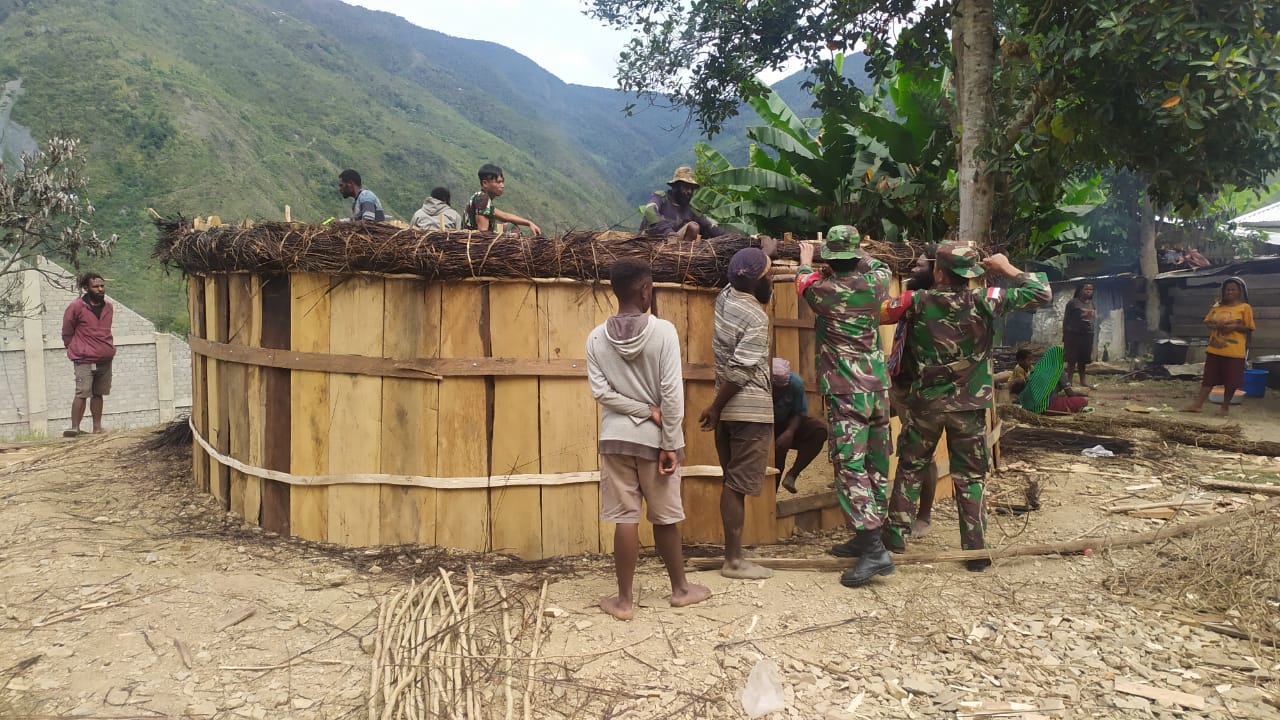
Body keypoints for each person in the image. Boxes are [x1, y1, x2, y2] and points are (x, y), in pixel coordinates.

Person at [880, 245, 1051, 571]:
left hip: (926, 404)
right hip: (969, 407)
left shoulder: (915, 302)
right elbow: (1041, 293)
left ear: (939, 272)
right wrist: (1008, 267)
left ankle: (892, 543)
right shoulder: (987, 300)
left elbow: (875, 311)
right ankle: (974, 553)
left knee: (910, 469)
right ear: (971, 274)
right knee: (971, 476)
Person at [586, 258, 711, 620]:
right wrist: (669, 440)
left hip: (614, 440)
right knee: (665, 517)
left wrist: (639, 409)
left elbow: (601, 392)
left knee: (625, 517)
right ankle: (681, 590)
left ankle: (623, 602)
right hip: (656, 443)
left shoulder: (595, 338)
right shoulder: (663, 332)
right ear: (645, 290)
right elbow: (671, 393)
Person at [796, 227, 896, 587]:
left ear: (830, 260)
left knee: (850, 466)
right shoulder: (878, 283)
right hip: (877, 388)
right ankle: (870, 535)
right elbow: (880, 264)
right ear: (856, 256)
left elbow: (803, 280)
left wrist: (806, 259)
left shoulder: (822, 291)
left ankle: (873, 550)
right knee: (876, 462)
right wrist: (862, 252)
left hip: (846, 389)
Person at [699, 246, 774, 580]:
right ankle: (733, 561)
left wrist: (763, 252)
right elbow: (741, 370)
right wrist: (714, 407)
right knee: (737, 485)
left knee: (731, 482)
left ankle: (733, 556)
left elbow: (748, 278)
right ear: (757, 281)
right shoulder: (757, 318)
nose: (771, 277)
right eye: (768, 273)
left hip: (727, 411)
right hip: (749, 411)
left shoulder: (725, 299)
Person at [885, 246, 939, 540]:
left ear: (936, 271)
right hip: (899, 382)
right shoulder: (915, 301)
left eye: (919, 267)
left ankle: (924, 516)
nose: (912, 270)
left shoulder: (927, 303)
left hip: (919, 391)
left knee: (921, 454)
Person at [1183, 277, 1254, 417]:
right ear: (1223, 291)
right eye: (1227, 289)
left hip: (1234, 352)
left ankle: (1225, 408)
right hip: (1215, 349)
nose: (1230, 292)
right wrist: (1216, 326)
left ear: (1239, 291)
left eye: (1233, 289)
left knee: (1231, 381)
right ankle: (1197, 405)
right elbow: (1208, 322)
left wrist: (1234, 326)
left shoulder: (1245, 308)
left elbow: (1249, 328)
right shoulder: (1218, 306)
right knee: (1208, 378)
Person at [61, 272, 116, 437]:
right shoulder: (76, 307)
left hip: (104, 357)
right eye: (96, 286)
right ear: (86, 288)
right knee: (82, 392)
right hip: (83, 358)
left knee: (98, 393)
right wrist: (74, 348)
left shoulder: (108, 307)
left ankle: (97, 428)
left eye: (102, 286)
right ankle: (75, 428)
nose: (100, 289)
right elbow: (67, 331)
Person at [770, 358, 828, 494]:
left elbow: (800, 412)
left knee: (819, 431)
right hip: (763, 427)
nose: (778, 393)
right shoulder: (759, 382)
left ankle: (792, 475)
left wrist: (790, 432)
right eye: (775, 389)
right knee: (776, 461)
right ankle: (770, 500)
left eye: (782, 389)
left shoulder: (795, 383)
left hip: (787, 423)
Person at [639, 166, 727, 241]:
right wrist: (667, 231)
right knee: (693, 227)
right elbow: (650, 210)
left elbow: (709, 226)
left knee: (695, 227)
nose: (689, 191)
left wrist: (727, 238)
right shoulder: (661, 198)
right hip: (652, 241)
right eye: (685, 187)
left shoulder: (690, 210)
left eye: (691, 188)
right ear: (676, 186)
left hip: (675, 248)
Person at [462, 163, 542, 236]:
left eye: (502, 182)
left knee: (509, 226)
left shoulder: (482, 200)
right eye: (498, 182)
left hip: (475, 243)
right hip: (475, 246)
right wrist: (506, 237)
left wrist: (529, 223)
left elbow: (505, 216)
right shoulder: (482, 198)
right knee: (511, 228)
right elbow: (483, 233)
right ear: (485, 183)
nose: (502, 185)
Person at [1013, 346, 1090, 415]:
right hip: (1046, 406)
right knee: (1082, 401)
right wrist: (1074, 397)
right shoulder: (1058, 370)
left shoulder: (1037, 368)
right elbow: (1070, 393)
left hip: (1028, 405)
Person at [1062, 282, 1096, 389]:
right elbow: (1066, 319)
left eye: (1091, 289)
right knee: (1072, 359)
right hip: (1073, 334)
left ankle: (1083, 381)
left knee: (1083, 359)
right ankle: (1069, 381)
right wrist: (1065, 334)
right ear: (1080, 290)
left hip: (1087, 334)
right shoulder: (1073, 303)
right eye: (1086, 289)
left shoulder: (1091, 303)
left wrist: (1091, 317)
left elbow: (1092, 319)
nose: (1089, 291)